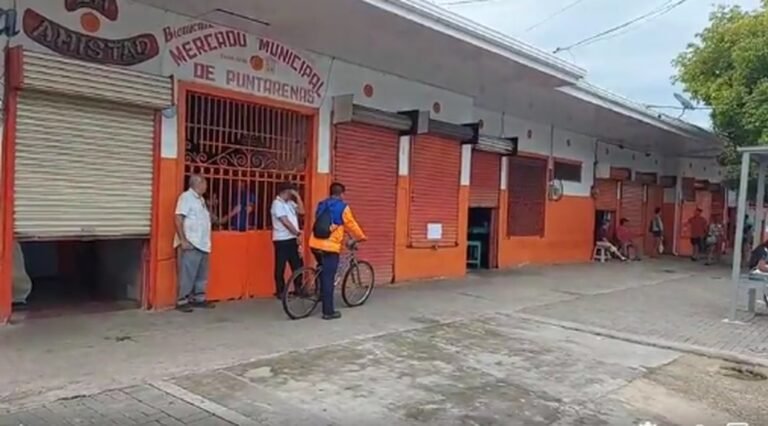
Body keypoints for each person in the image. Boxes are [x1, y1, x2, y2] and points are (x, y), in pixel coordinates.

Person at [309, 182, 367, 320]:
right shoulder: (343, 207)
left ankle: (322, 295)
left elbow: (322, 222)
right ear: (342, 194)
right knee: (329, 277)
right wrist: (361, 237)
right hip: (329, 247)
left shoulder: (321, 204)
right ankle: (328, 312)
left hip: (314, 244)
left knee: (322, 269)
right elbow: (351, 224)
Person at [174, 174, 215, 312]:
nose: (206, 186)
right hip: (192, 242)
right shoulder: (186, 197)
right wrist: (183, 240)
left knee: (201, 274)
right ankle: (182, 300)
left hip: (203, 243)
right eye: (204, 183)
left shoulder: (201, 200)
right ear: (197, 183)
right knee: (188, 273)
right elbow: (178, 218)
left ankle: (199, 298)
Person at [271, 182, 305, 298]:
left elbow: (302, 212)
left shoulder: (290, 203)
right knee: (280, 266)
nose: (292, 195)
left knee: (298, 265)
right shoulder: (277, 204)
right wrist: (297, 232)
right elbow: (285, 221)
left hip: (292, 239)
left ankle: (298, 288)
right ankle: (280, 291)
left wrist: (298, 197)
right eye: (291, 192)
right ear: (285, 191)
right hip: (282, 240)